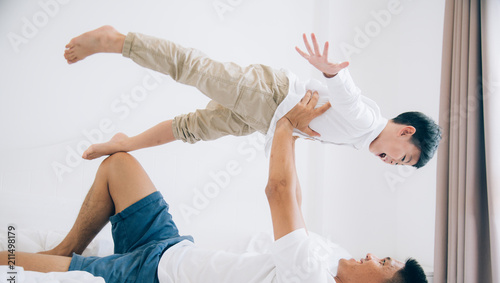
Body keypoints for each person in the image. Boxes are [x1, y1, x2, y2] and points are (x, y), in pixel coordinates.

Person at [0, 92, 430, 283]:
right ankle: (66, 247)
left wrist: (285, 125)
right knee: (120, 164)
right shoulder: (330, 268)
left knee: (14, 265)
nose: (371, 255)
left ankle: (59, 260)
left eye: (383, 263)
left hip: (147, 280)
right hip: (169, 247)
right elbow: (294, 201)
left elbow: (278, 191)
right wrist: (298, 138)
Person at [63, 26, 441, 168]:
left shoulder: (362, 139)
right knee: (194, 68)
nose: (393, 162)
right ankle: (117, 41)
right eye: (402, 157)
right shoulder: (367, 122)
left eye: (400, 165)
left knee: (193, 129)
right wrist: (332, 70)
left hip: (265, 117)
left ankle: (124, 144)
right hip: (268, 96)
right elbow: (348, 96)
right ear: (405, 131)